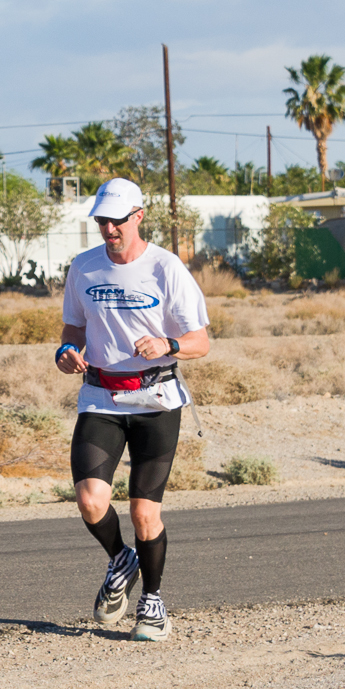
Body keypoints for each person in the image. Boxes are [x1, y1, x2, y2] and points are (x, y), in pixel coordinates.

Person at [53, 178, 212, 642]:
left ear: (138, 216)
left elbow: (201, 341)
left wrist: (169, 343)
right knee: (89, 501)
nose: (108, 229)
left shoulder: (166, 267)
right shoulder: (83, 268)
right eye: (101, 220)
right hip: (100, 398)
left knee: (145, 513)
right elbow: (72, 329)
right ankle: (121, 558)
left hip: (156, 400)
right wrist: (66, 352)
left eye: (116, 220)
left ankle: (153, 600)